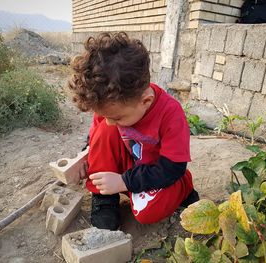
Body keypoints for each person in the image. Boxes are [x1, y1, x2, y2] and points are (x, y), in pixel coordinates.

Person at [69, 32, 199, 231]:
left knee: (147, 213)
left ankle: (181, 189)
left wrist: (123, 181)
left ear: (145, 101)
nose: (112, 123)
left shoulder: (171, 114)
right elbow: (97, 140)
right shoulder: (109, 108)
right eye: (104, 115)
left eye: (117, 118)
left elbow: (173, 167)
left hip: (158, 170)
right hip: (131, 165)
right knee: (103, 130)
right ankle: (105, 198)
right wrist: (85, 157)